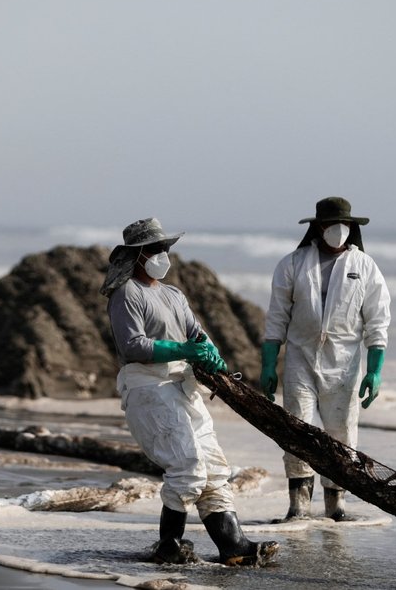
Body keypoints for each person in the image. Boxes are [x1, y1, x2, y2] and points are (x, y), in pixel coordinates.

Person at [102, 218, 279, 567]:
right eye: (155, 249)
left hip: (182, 386)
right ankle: (169, 544)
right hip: (148, 387)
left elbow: (197, 335)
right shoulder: (126, 294)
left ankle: (234, 546)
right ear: (137, 255)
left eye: (165, 248)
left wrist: (210, 353)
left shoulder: (173, 295)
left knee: (213, 467)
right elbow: (134, 345)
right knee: (188, 466)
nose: (162, 255)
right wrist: (186, 351)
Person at [260, 197, 391, 522]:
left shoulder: (365, 267)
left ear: (353, 228)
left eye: (345, 225)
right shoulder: (293, 264)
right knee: (297, 430)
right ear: (317, 227)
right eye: (332, 224)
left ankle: (336, 506)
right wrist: (267, 364)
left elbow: (378, 321)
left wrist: (374, 371)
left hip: (344, 364)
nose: (338, 231)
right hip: (300, 361)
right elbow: (276, 317)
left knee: (341, 434)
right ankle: (299, 506)